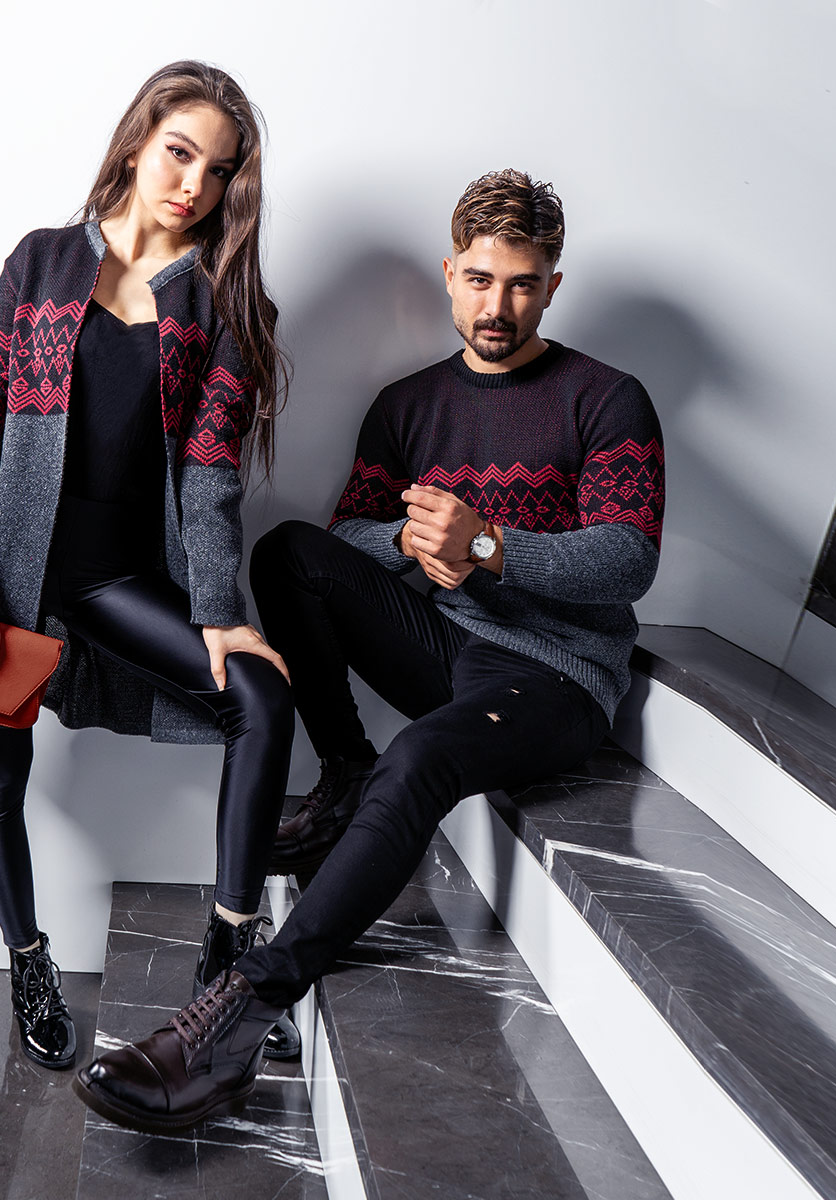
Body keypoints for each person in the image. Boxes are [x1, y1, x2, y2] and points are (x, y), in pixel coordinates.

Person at [73, 169, 665, 1131]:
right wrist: (409, 542)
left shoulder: (605, 398)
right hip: (448, 643)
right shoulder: (410, 404)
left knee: (421, 757)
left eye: (522, 284)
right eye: (481, 279)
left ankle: (241, 1015)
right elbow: (347, 534)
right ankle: (345, 771)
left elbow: (628, 559)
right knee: (289, 554)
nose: (498, 306)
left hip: (556, 677)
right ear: (450, 273)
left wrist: (488, 544)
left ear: (553, 284)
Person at [0, 60, 301, 1071]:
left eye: (218, 171)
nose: (194, 184)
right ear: (138, 141)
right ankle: (28, 960)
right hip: (11, 574)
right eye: (180, 152)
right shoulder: (42, 261)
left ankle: (229, 967)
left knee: (261, 699)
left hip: (110, 577)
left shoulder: (220, 306)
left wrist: (221, 608)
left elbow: (211, 471)